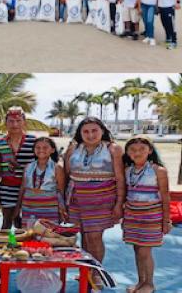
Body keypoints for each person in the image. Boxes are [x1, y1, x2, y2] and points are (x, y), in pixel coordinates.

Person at [64, 117, 125, 289]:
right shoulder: (73, 148)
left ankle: (97, 272)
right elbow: (67, 174)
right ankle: (86, 270)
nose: (90, 135)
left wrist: (119, 203)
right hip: (77, 198)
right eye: (86, 131)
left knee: (94, 236)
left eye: (94, 130)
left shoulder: (113, 149)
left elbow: (120, 178)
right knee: (83, 234)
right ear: (80, 133)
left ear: (102, 131)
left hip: (102, 199)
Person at [122, 137, 171, 293]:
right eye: (133, 150)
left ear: (150, 151)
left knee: (145, 251)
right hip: (132, 216)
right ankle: (140, 282)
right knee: (137, 250)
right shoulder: (127, 170)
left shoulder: (158, 170)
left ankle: (149, 283)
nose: (137, 152)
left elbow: (165, 196)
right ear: (128, 153)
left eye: (142, 149)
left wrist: (166, 220)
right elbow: (126, 194)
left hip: (151, 217)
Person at [0, 107, 37, 230]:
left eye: (18, 120)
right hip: (7, 188)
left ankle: (27, 248)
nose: (14, 124)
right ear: (5, 123)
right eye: (11, 121)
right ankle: (4, 247)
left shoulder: (34, 141)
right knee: (7, 221)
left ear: (24, 122)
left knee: (26, 223)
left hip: (30, 188)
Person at [14, 137, 66, 225]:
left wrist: (62, 210)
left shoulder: (57, 168)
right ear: (33, 150)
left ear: (52, 150)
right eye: (37, 147)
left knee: (48, 234)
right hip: (29, 207)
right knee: (29, 234)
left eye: (45, 147)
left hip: (49, 208)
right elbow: (23, 189)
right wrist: (17, 208)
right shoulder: (28, 167)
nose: (41, 150)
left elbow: (61, 191)